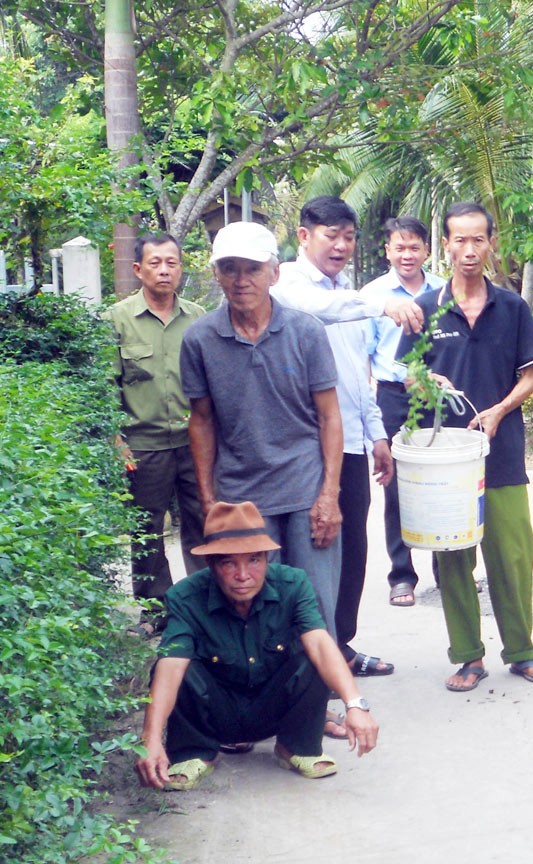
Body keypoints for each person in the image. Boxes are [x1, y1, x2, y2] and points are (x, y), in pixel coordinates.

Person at [397, 202, 533, 691]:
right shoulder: (424, 308)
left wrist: (498, 411)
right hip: (444, 458)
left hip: (502, 453)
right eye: (459, 240)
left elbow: (530, 377)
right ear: (444, 245)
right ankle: (467, 656)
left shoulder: (511, 308)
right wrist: (425, 380)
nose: (469, 250)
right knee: (453, 558)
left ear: (491, 244)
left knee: (512, 556)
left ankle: (522, 652)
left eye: (478, 240)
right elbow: (406, 374)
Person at [134, 500, 379, 791]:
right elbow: (171, 667)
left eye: (254, 560)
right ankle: (195, 751)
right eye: (229, 563)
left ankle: (295, 746)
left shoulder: (293, 584)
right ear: (211, 565)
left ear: (266, 559)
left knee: (314, 657)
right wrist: (148, 740)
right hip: (216, 712)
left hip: (274, 708)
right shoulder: (185, 597)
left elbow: (320, 643)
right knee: (171, 663)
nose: (243, 575)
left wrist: (355, 704)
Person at [181, 221, 344, 646]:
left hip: (305, 487)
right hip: (241, 493)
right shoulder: (199, 339)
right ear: (216, 274)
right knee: (252, 606)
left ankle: (319, 697)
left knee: (315, 601)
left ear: (274, 273)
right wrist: (207, 499)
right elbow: (200, 420)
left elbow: (329, 416)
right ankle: (265, 700)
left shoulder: (305, 331)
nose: (241, 280)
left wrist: (329, 495)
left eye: (252, 269)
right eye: (230, 269)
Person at [271, 196, 397, 688]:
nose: (341, 246)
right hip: (306, 445)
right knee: (313, 553)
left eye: (348, 236)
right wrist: (380, 301)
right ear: (304, 236)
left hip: (350, 444)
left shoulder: (349, 295)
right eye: (331, 235)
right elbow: (315, 308)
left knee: (354, 552)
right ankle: (304, 658)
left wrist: (378, 435)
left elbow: (357, 374)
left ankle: (340, 647)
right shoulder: (288, 284)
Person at [103, 232, 207, 635]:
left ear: (181, 268)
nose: (164, 270)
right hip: (142, 446)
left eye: (171, 263)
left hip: (194, 441)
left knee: (203, 522)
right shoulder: (117, 319)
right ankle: (155, 611)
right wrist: (116, 442)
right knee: (146, 530)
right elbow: (106, 386)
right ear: (138, 270)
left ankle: (204, 607)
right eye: (155, 263)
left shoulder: (198, 317)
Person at [359, 216, 447, 607]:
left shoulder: (446, 291)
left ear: (427, 250)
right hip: (393, 396)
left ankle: (451, 571)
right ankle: (401, 575)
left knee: (447, 481)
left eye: (414, 247)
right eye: (399, 247)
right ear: (388, 251)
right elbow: (362, 356)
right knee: (396, 485)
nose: (407, 255)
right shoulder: (373, 295)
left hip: (438, 395)